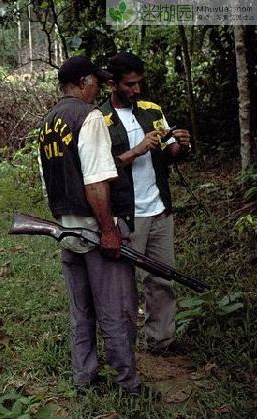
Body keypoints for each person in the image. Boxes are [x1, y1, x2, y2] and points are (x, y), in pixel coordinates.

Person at [38, 56, 143, 394]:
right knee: (116, 309)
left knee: (81, 311)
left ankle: (85, 379)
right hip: (96, 230)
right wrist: (109, 230)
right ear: (83, 82)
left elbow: (48, 181)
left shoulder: (49, 121)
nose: (99, 87)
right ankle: (127, 383)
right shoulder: (90, 116)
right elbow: (96, 181)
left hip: (67, 230)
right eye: (96, 81)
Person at [100, 52, 191, 354]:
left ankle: (162, 341)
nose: (137, 90)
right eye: (130, 84)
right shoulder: (99, 119)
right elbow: (98, 169)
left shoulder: (152, 110)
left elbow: (169, 151)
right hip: (127, 214)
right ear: (112, 84)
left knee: (163, 278)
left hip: (159, 209)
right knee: (123, 287)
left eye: (139, 83)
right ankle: (123, 348)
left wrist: (179, 145)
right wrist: (137, 150)